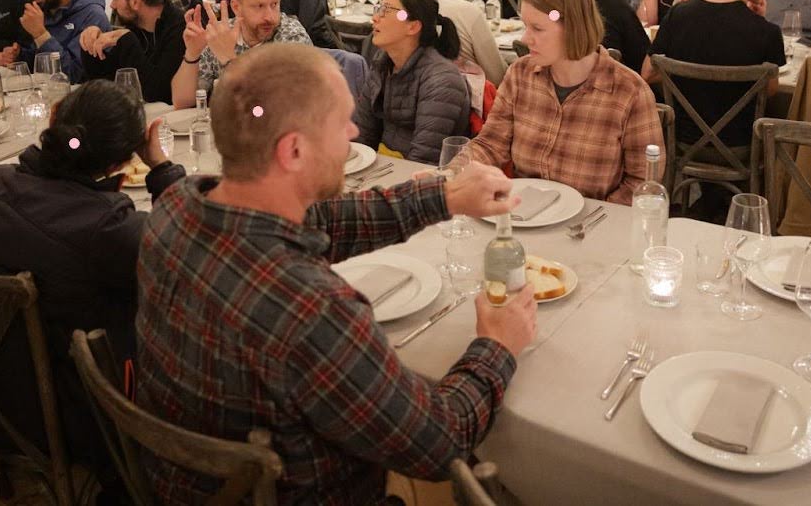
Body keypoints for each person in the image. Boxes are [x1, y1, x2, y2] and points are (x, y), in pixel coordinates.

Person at [137, 43, 533, 503]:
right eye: (341, 121)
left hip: (175, 484)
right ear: (295, 150)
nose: (353, 131)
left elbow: (323, 221)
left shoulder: (179, 204)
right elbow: (439, 443)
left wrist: (444, 197)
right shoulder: (310, 310)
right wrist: (498, 345)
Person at [0, 81, 179, 469]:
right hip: (81, 419)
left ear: (52, 118)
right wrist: (163, 167)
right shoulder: (106, 230)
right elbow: (191, 245)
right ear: (121, 162)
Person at [456, 0, 661, 203]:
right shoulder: (520, 75)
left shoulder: (629, 92)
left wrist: (597, 217)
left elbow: (641, 182)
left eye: (537, 28)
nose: (525, 39)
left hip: (591, 226)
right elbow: (491, 144)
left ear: (573, 27)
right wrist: (450, 174)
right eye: (525, 26)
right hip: (526, 213)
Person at [645, 0, 785, 147]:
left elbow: (647, 73)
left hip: (682, 141)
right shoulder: (767, 32)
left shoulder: (679, 14)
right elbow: (770, 90)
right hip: (738, 145)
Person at [353, 0, 472, 164]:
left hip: (421, 179)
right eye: (379, 9)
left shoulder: (442, 79)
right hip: (385, 167)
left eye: (386, 11)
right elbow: (361, 136)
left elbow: (423, 160)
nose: (375, 18)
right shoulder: (382, 63)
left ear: (413, 26)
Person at [172, 0, 312, 107]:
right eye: (259, 6)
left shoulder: (291, 37)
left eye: (274, 4)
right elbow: (182, 103)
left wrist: (228, 60)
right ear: (237, 7)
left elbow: (273, 108)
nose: (269, 16)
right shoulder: (221, 35)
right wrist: (192, 54)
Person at [81, 0, 183, 102]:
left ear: (135, 2)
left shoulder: (180, 28)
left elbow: (159, 92)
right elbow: (104, 82)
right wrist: (90, 45)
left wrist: (128, 40)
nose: (112, 5)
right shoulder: (134, 27)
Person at [4, 0, 110, 82]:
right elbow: (40, 64)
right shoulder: (44, 8)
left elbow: (73, 75)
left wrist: (41, 34)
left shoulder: (92, 15)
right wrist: (19, 55)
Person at [423, 0, 506, 85]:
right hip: (462, 91)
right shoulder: (468, 10)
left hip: (416, 87)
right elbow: (496, 73)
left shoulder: (408, 6)